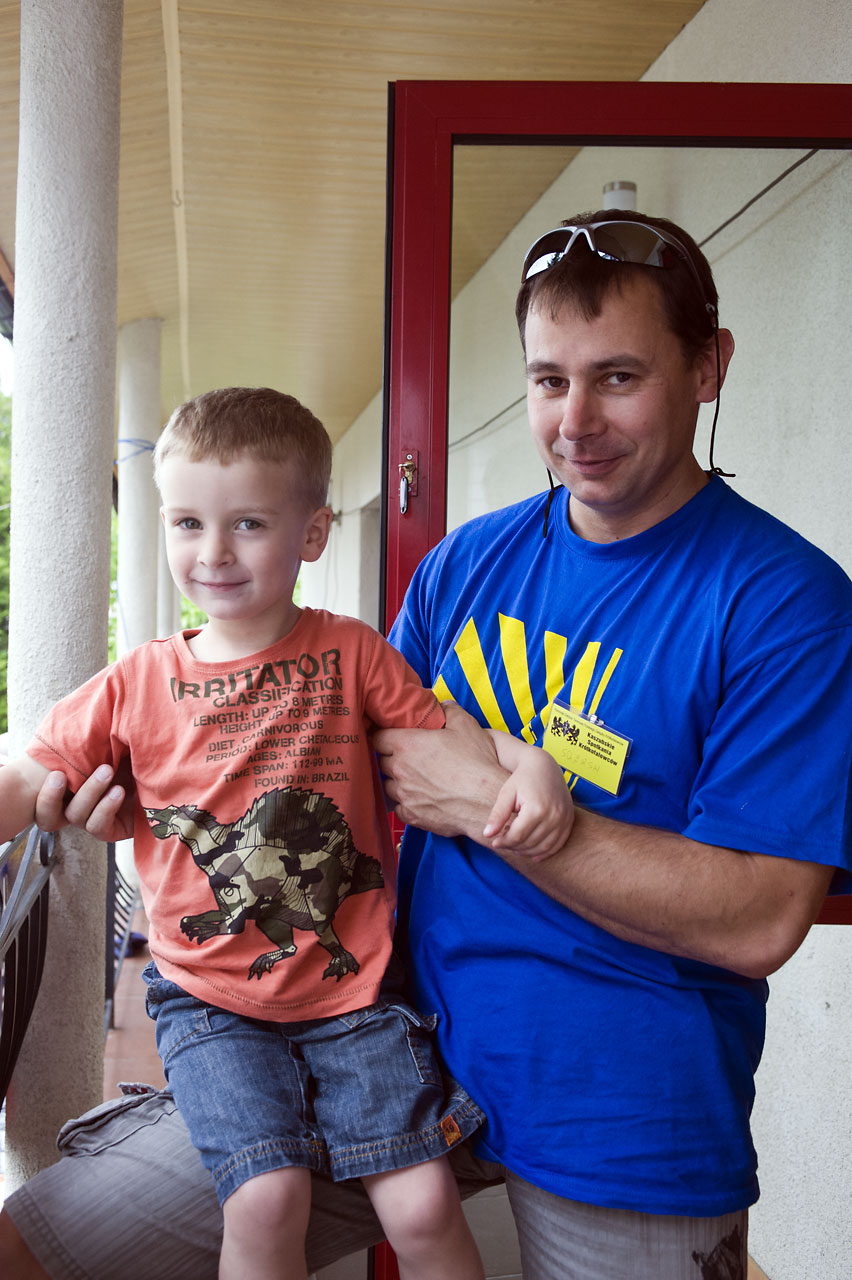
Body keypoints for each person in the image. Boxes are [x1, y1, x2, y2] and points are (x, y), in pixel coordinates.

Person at [3, 210, 852, 1280]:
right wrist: (158, 787)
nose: (576, 421)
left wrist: (497, 813)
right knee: (34, 1244)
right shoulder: (470, 563)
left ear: (709, 367)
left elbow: (760, 916)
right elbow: (318, 751)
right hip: (373, 1030)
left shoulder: (785, 604)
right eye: (549, 381)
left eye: (618, 377)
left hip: (618, 1104)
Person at [0, 385, 571, 1280]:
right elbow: (26, 777)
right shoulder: (137, 682)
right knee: (266, 1200)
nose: (213, 553)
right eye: (187, 523)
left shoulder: (352, 652)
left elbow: (449, 732)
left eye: (249, 524)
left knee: (422, 1206)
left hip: (355, 993)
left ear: (313, 534)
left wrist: (530, 763)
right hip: (211, 1004)